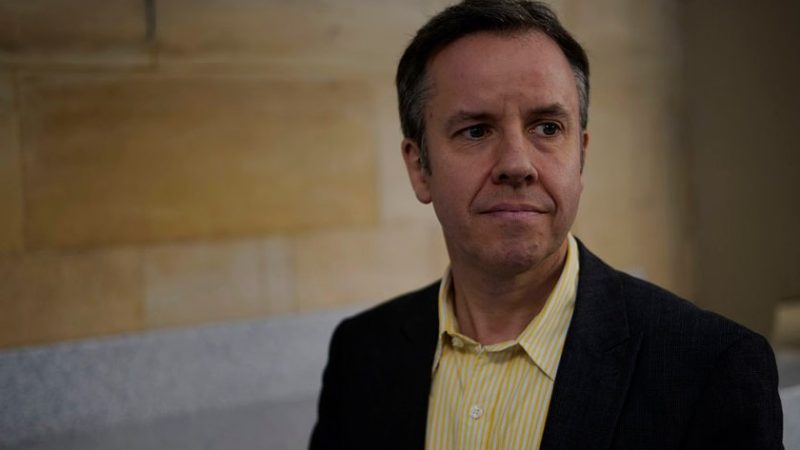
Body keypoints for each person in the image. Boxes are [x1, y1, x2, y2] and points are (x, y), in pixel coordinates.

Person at [309, 1, 784, 449]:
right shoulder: (362, 352)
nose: (517, 164)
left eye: (547, 128)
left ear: (581, 156)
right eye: (475, 130)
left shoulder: (711, 367)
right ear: (419, 167)